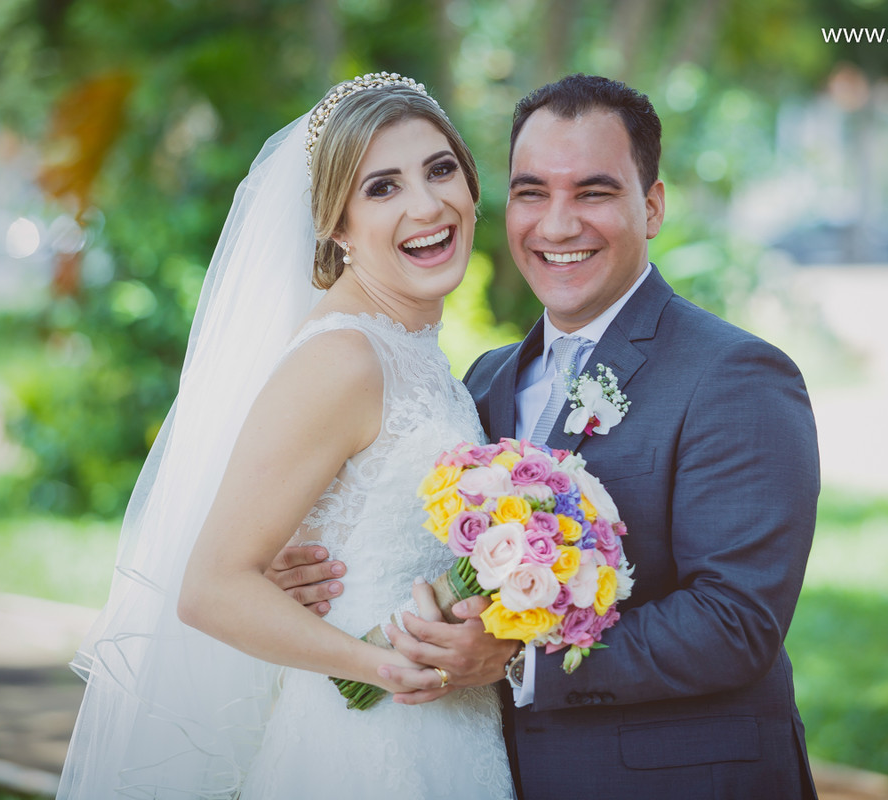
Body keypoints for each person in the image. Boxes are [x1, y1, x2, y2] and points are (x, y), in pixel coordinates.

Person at [284, 74, 822, 798]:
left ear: (653, 205)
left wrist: (516, 660)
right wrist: (311, 561)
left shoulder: (736, 375)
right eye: (532, 192)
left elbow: (734, 621)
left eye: (593, 192)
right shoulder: (481, 383)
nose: (558, 225)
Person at [58, 74, 514, 799]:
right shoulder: (344, 358)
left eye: (439, 169)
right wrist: (380, 668)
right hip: (370, 744)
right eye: (382, 188)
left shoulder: (407, 346)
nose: (427, 205)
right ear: (335, 226)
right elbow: (210, 588)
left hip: (446, 732)